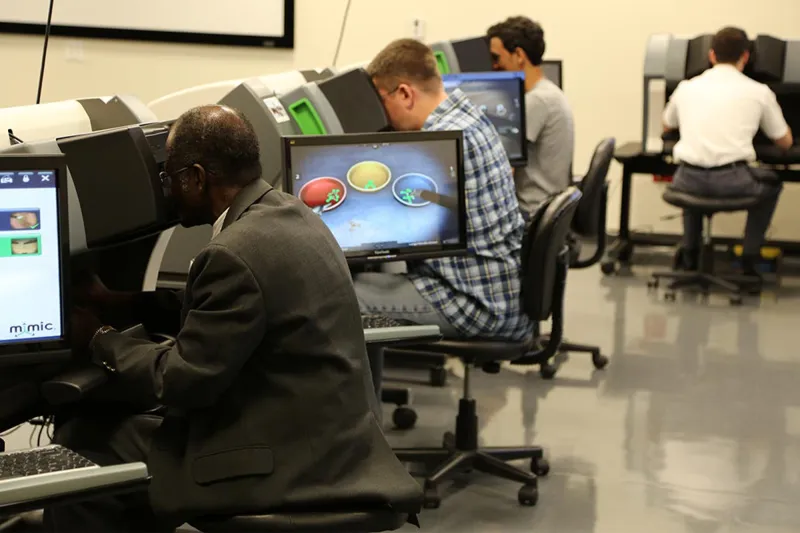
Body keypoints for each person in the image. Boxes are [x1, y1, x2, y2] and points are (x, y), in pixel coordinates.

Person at [46, 105, 422, 532]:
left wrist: (97, 337)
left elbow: (180, 381)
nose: (167, 190)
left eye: (169, 177)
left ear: (196, 178)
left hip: (284, 461)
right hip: (330, 440)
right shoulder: (291, 213)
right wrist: (118, 301)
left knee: (86, 440)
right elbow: (227, 309)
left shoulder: (230, 253)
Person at [356, 38, 532, 341]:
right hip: (501, 291)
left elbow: (391, 227)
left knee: (335, 296)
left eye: (382, 102)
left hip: (474, 303)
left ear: (404, 94)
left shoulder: (439, 143)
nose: (383, 118)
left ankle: (366, 389)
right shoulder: (469, 117)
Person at [663, 27, 794, 275]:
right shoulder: (759, 92)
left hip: (686, 180)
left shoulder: (686, 87)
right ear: (745, 57)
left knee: (694, 182)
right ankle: (749, 257)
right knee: (772, 184)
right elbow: (784, 142)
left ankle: (690, 254)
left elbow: (666, 124)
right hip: (732, 182)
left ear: (711, 55)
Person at [487, 16, 575, 216]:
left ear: (518, 55)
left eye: (496, 58)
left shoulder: (537, 101)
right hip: (547, 211)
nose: (493, 66)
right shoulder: (549, 92)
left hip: (530, 214)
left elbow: (503, 169)